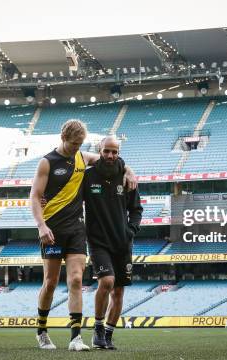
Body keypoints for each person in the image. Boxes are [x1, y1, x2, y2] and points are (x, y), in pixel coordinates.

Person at [31, 119, 136, 351]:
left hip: (77, 229)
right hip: (52, 230)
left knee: (76, 280)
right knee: (49, 283)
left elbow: (112, 160)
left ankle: (75, 338)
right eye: (74, 143)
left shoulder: (82, 157)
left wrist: (129, 170)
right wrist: (41, 226)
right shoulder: (46, 163)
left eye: (80, 144)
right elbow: (35, 197)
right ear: (63, 138)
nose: (77, 148)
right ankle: (42, 331)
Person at [82, 135, 143, 350]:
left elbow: (136, 210)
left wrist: (130, 231)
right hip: (98, 241)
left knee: (119, 292)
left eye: (114, 152)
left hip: (123, 242)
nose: (110, 155)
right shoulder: (87, 177)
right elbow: (70, 197)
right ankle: (98, 329)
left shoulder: (127, 178)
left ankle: (108, 335)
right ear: (100, 150)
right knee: (106, 282)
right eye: (107, 151)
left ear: (119, 153)